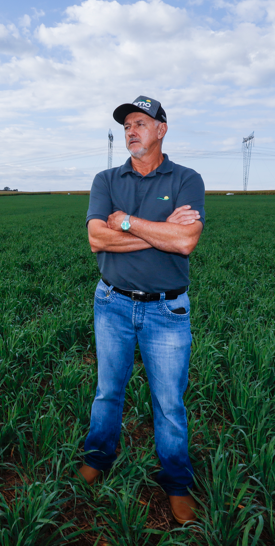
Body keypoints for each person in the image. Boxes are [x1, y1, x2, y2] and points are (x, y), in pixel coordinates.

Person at [78, 95, 205, 525]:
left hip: (167, 311)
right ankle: (97, 457)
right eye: (127, 125)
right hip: (111, 303)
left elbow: (185, 242)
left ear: (161, 129)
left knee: (169, 403)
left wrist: (128, 223)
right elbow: (97, 239)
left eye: (140, 123)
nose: (131, 131)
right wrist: (161, 231)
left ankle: (177, 483)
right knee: (107, 391)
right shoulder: (107, 179)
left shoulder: (186, 179)